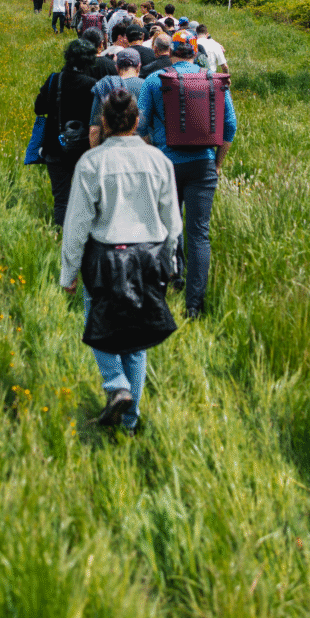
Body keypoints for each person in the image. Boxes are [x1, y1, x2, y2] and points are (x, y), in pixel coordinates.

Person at [60, 89, 182, 432]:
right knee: (137, 342)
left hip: (106, 257)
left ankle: (116, 385)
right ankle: (130, 422)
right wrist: (171, 264)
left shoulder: (92, 163)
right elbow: (172, 221)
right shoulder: (159, 161)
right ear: (137, 120)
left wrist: (69, 271)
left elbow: (77, 224)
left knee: (99, 325)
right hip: (148, 256)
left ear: (104, 121)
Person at [137, 37, 237, 319]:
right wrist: (217, 163)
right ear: (195, 53)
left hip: (166, 164)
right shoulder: (213, 80)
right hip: (202, 164)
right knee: (199, 234)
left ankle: (171, 278)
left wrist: (153, 149)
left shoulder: (154, 80)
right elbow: (230, 125)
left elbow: (140, 124)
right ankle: (194, 305)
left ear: (170, 53)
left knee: (167, 226)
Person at [34, 39, 97, 226]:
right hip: (83, 148)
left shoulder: (55, 79)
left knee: (61, 199)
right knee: (85, 196)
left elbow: (39, 108)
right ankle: (83, 233)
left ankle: (61, 233)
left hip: (55, 145)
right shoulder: (92, 84)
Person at [88, 47, 144, 147]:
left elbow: (94, 130)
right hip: (141, 148)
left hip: (110, 149)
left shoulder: (105, 86)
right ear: (139, 67)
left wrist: (96, 152)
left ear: (117, 67)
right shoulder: (147, 85)